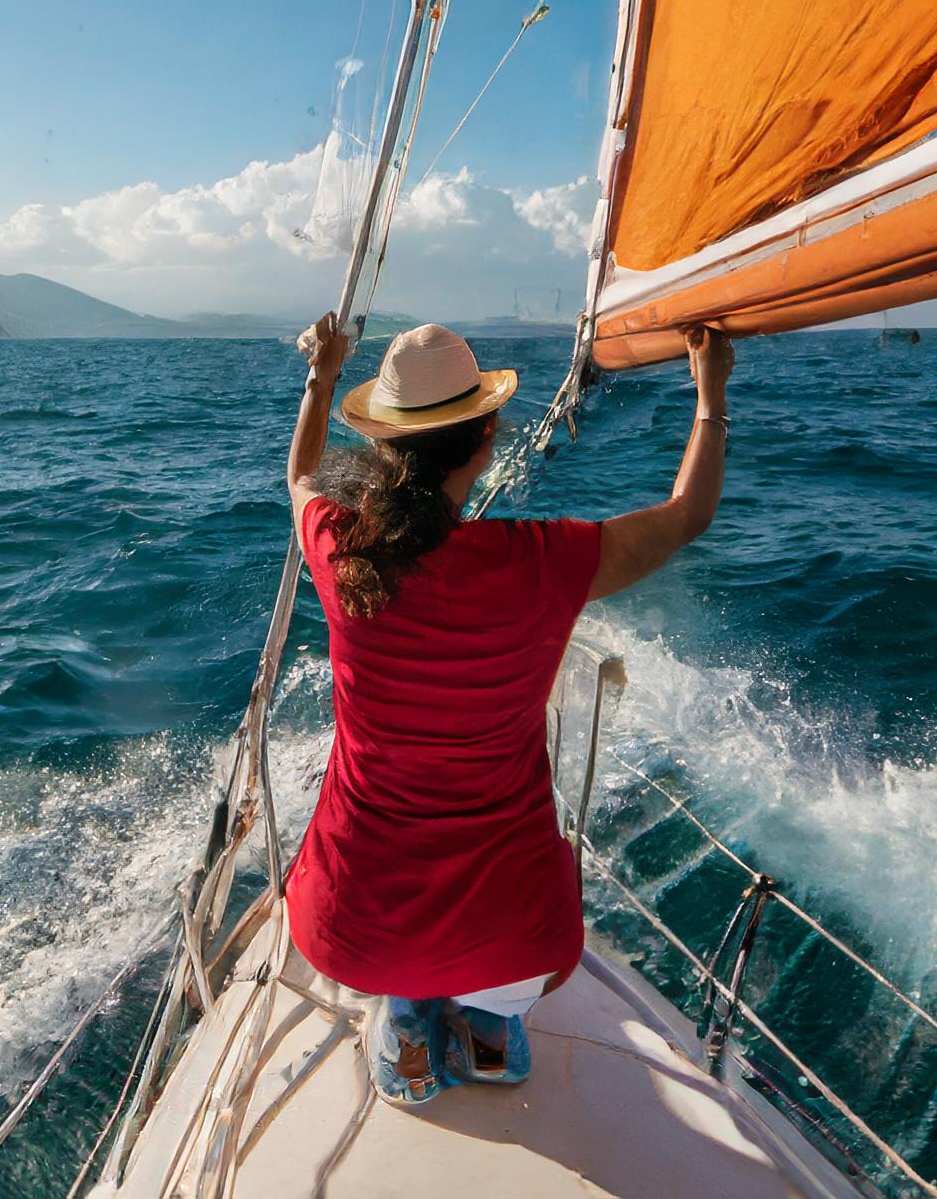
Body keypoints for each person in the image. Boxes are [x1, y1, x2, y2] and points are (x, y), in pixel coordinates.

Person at [283, 314, 734, 1105]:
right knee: (502, 966)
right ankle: (493, 1033)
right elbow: (686, 514)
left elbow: (301, 477)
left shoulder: (339, 546)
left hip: (352, 930)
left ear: (386, 446)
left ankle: (410, 1028)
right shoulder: (545, 560)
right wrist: (711, 393)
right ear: (487, 437)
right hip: (522, 940)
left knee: (402, 965)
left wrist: (322, 376)